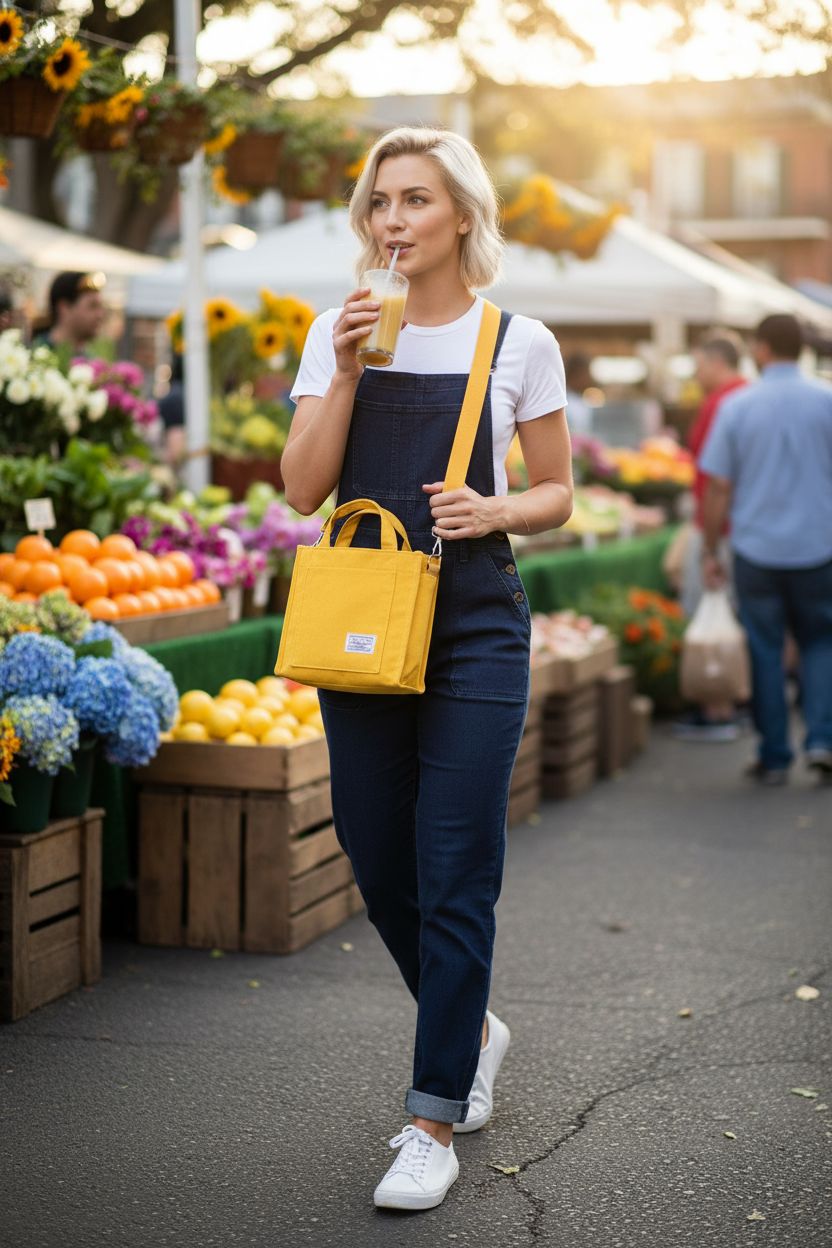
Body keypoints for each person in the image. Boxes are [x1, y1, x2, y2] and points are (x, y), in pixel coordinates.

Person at [281, 126, 572, 1212]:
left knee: (457, 861)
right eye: (378, 203)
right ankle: (473, 1024)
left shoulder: (519, 342)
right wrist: (350, 369)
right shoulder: (338, 332)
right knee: (373, 847)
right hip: (363, 612)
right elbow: (301, 488)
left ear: (460, 216)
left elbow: (557, 491)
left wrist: (496, 507)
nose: (391, 220)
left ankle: (431, 1116)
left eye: (413, 200)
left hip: (475, 619)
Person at [700, 313, 832, 786]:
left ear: (761, 349)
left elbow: (718, 487)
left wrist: (710, 548)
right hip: (820, 547)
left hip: (756, 549)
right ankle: (822, 741)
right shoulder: (827, 399)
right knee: (821, 643)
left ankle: (774, 755)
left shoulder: (738, 406)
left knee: (765, 649)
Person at [673, 330, 746, 742]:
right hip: (743, 525)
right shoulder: (744, 398)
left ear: (718, 362)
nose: (696, 374)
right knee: (735, 615)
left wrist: (711, 540)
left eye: (699, 365)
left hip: (718, 523)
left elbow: (718, 479)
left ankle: (718, 708)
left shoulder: (724, 404)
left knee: (708, 606)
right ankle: (735, 703)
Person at [33, 270, 107, 355]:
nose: (100, 315)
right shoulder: (36, 357)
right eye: (92, 306)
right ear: (64, 308)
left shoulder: (91, 362)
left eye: (100, 307)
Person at [564, 351, 594, 436]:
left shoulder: (582, 401)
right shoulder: (562, 403)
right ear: (575, 374)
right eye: (585, 373)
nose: (588, 378)